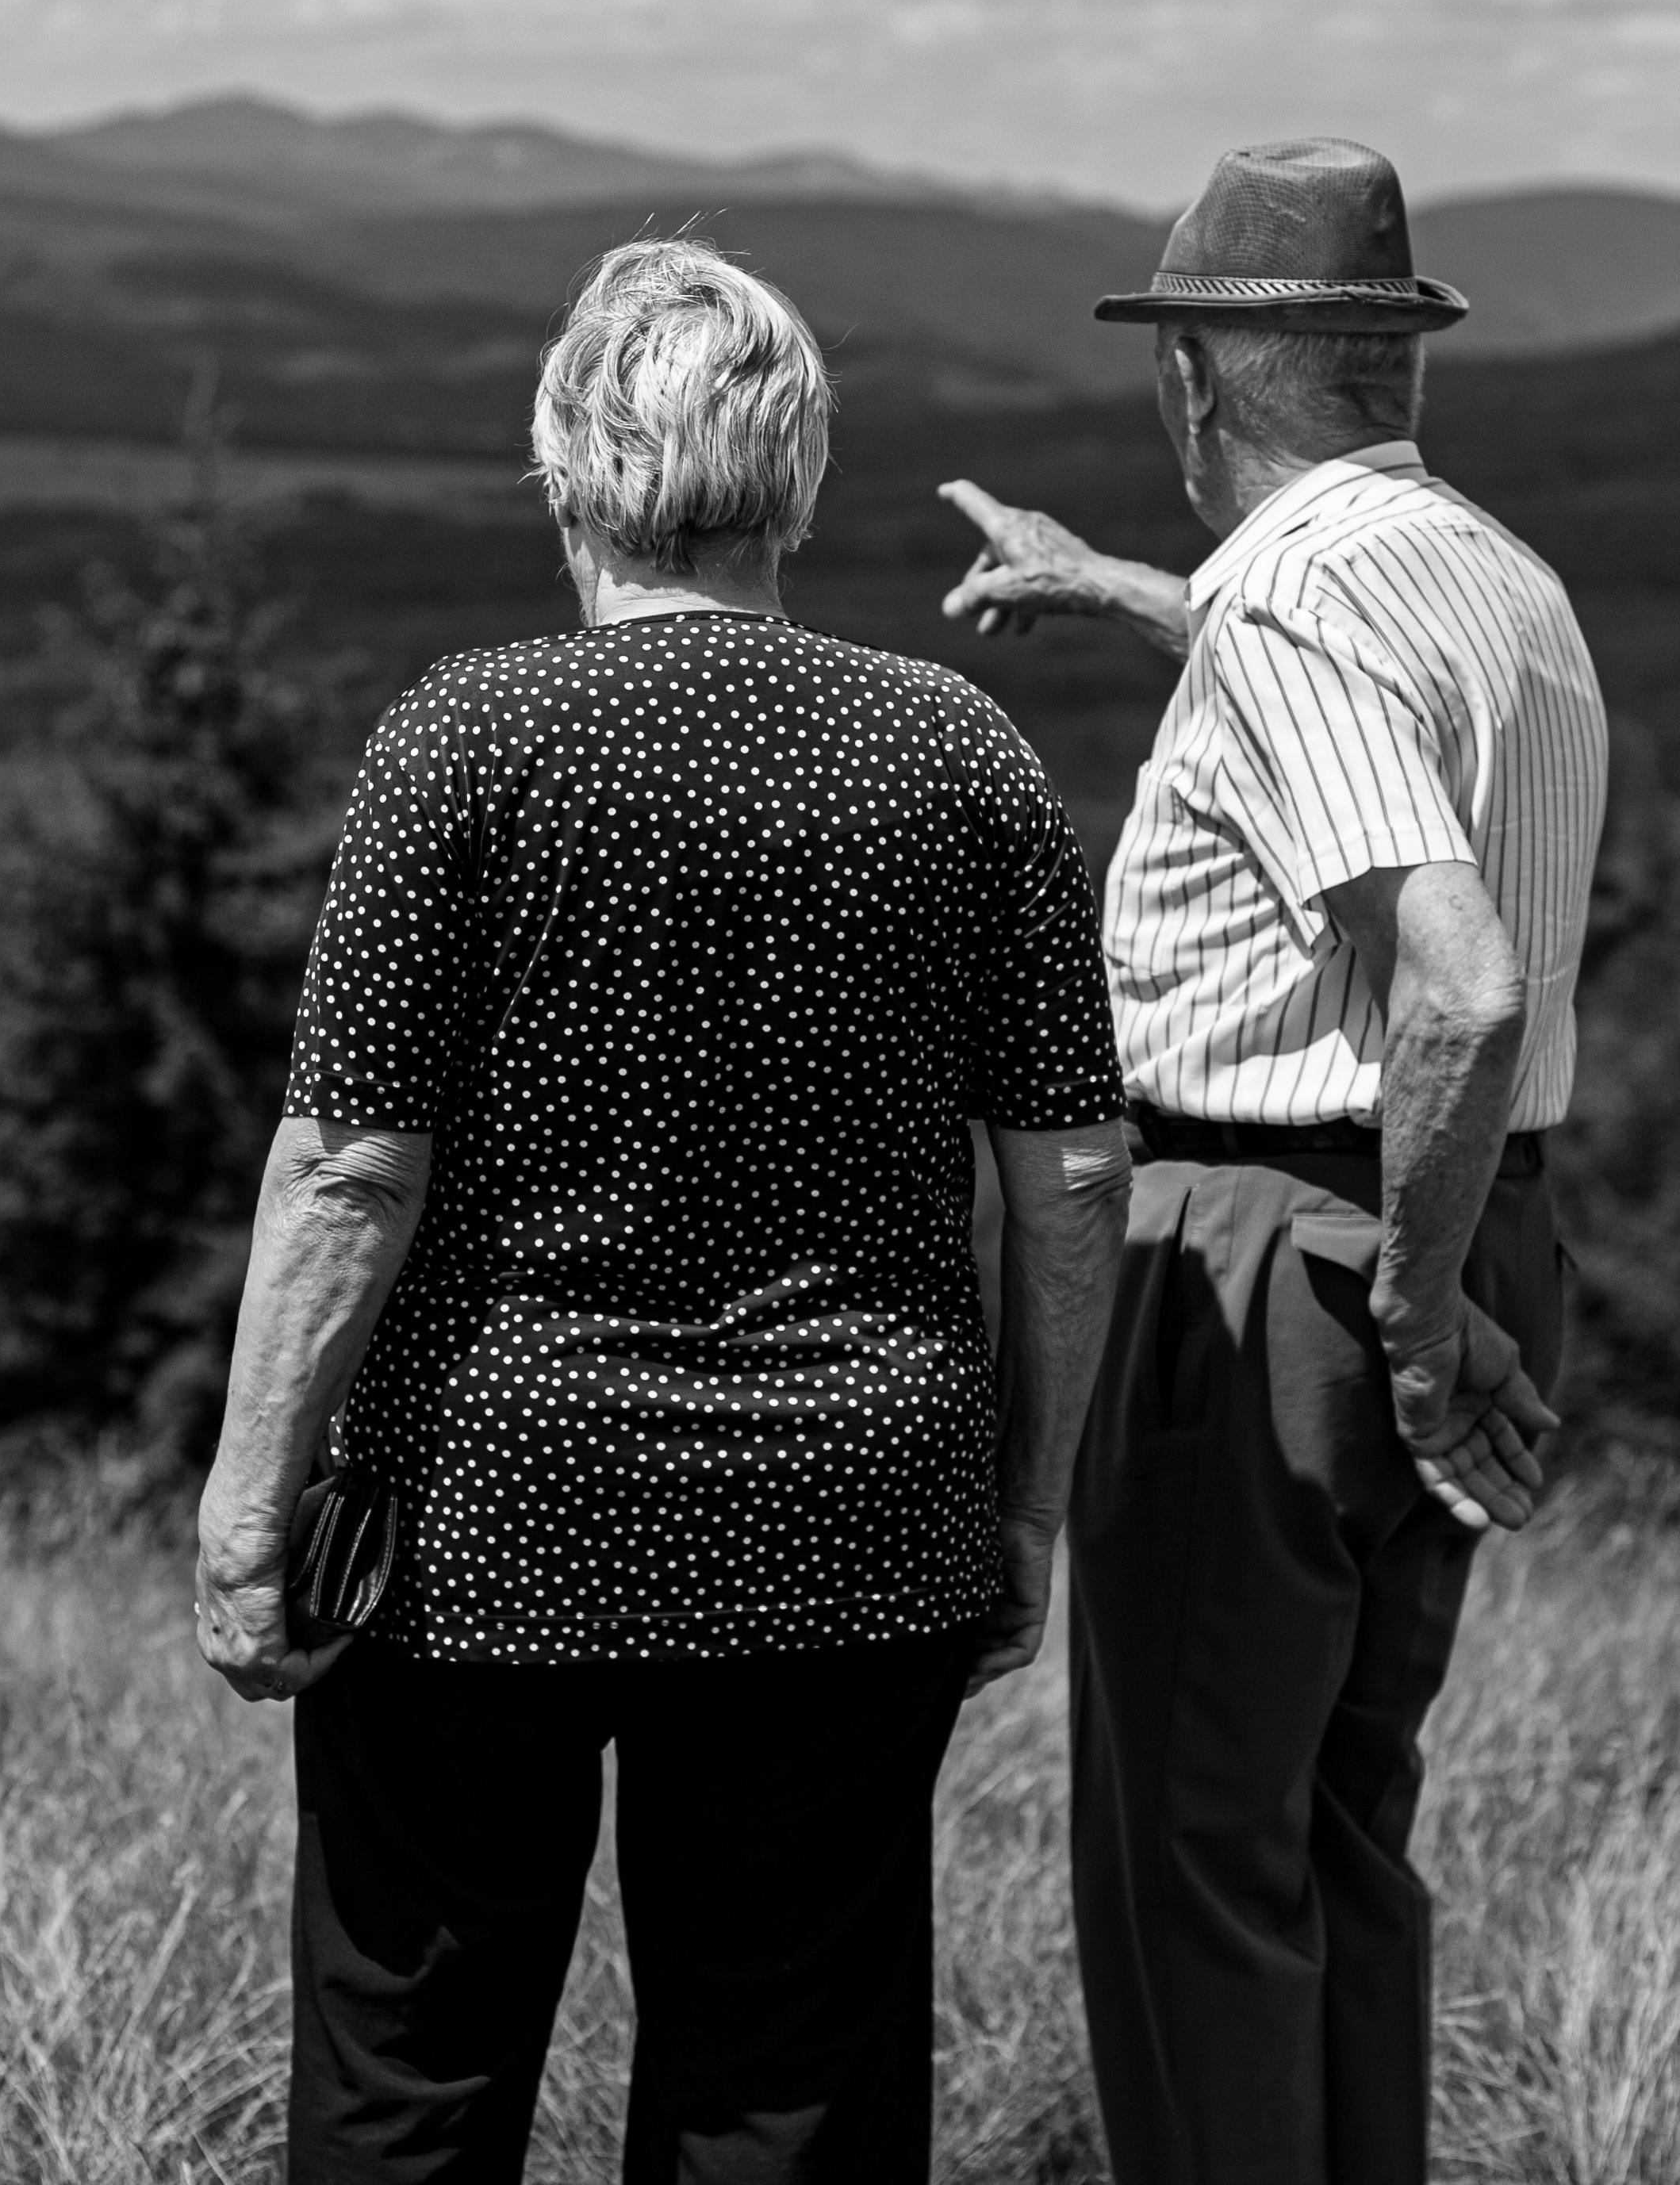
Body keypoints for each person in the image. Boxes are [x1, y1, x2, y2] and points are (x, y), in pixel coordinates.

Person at [196, 236, 1132, 2185]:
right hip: (851, 1515)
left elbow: (354, 1165)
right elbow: (1072, 1172)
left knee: (412, 2070)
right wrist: (1023, 1504)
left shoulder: (467, 738)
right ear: (796, 476)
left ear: (563, 464)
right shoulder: (958, 751)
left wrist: (243, 1505)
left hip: (485, 1507)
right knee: (782, 2090)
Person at [939, 138, 1607, 2185]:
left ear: (1204, 380)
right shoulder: (1501, 585)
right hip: (1474, 1218)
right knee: (1337, 1842)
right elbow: (1340, 717)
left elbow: (1462, 986)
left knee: (1189, 1880)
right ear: (1396, 365)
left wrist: (1394, 1315)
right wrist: (1126, 588)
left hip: (1276, 1255)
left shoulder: (1294, 607)